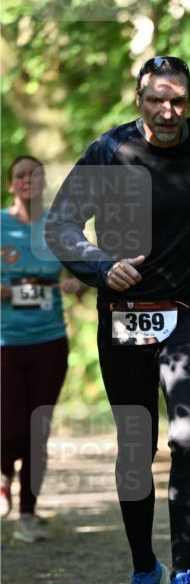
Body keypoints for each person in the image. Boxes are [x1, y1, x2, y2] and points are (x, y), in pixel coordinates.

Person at [45, 55, 190, 584]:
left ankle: (183, 578)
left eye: (178, 100)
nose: (168, 110)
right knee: (136, 447)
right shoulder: (109, 152)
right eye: (157, 99)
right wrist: (100, 267)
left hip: (187, 313)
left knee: (188, 437)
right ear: (139, 99)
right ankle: (143, 571)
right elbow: (60, 225)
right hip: (125, 315)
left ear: (189, 100)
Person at [1, 155, 83, 542]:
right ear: (11, 184)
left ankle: (27, 515)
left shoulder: (57, 226)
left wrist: (75, 284)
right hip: (6, 343)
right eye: (20, 176)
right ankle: (3, 473)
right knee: (11, 429)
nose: (28, 181)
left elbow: (83, 271)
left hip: (50, 341)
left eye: (35, 175)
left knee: (38, 430)